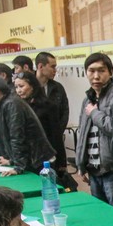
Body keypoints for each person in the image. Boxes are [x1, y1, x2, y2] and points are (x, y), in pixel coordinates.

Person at [76, 53, 113, 205]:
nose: (96, 76)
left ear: (111, 72)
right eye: (91, 71)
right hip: (93, 170)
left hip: (112, 171)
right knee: (100, 212)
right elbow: (83, 132)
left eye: (101, 70)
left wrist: (94, 113)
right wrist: (81, 164)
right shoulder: (88, 98)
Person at [0, 73, 55, 175]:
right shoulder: (5, 104)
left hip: (37, 161)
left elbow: (17, 136)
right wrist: (10, 159)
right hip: (30, 160)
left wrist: (19, 166)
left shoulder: (11, 104)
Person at [36, 52, 73, 187]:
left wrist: (56, 131)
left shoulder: (57, 88)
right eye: (52, 66)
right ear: (41, 66)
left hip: (55, 141)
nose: (55, 70)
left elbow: (65, 111)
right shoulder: (29, 88)